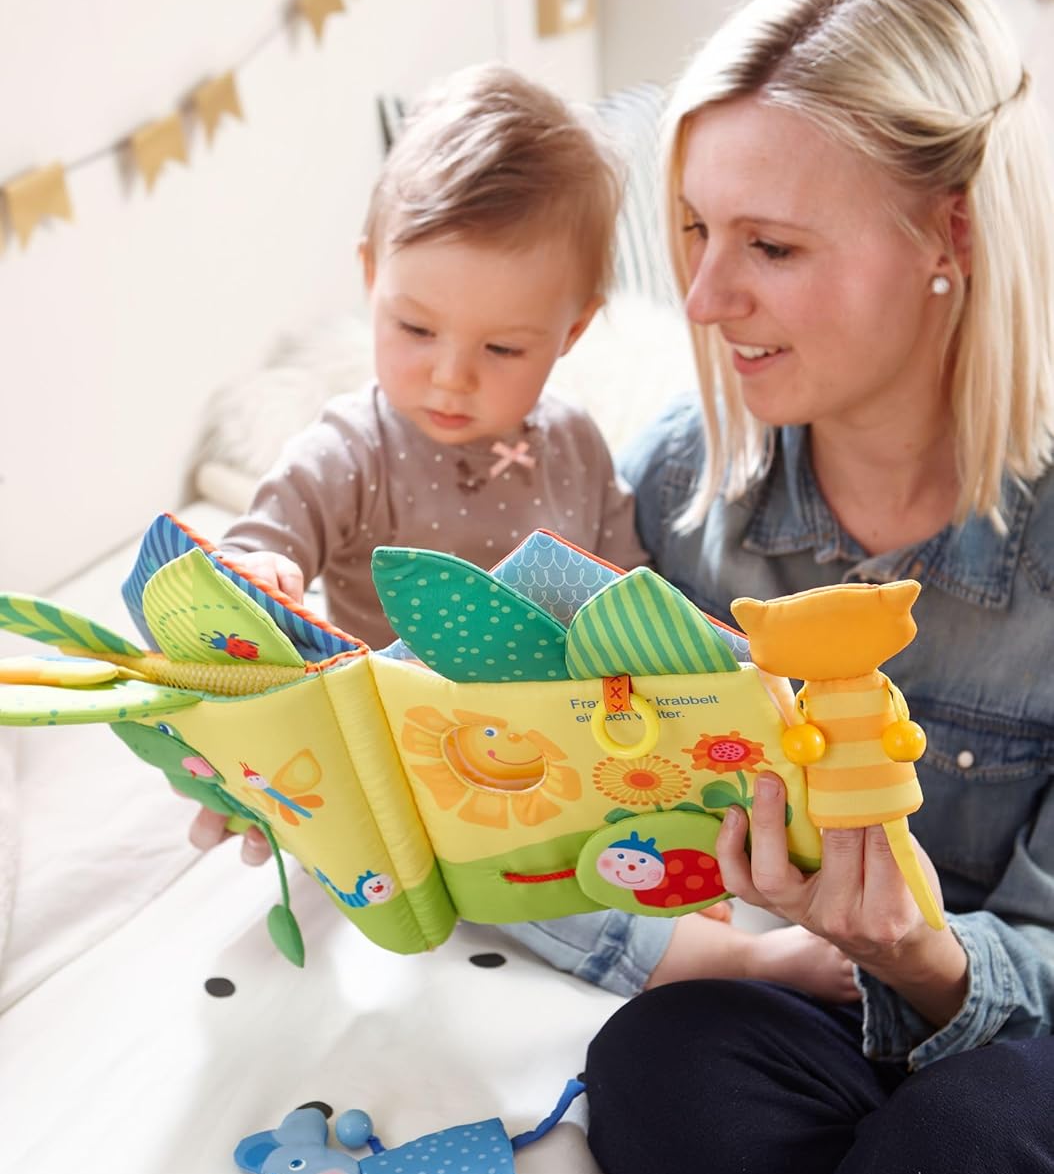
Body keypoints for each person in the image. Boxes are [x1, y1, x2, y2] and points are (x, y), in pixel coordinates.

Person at [577, 0, 1054, 1174]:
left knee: (965, 1141)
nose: (701, 299)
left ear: (950, 238)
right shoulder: (677, 492)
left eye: (771, 247)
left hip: (1014, 1036)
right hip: (829, 1012)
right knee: (664, 1070)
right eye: (694, 230)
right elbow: (578, 798)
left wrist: (920, 956)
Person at [191, 60, 857, 1004]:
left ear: (572, 333)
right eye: (415, 329)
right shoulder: (349, 448)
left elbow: (625, 599)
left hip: (566, 752)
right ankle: (735, 965)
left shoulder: (578, 444)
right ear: (372, 277)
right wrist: (262, 569)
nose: (450, 377)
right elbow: (259, 550)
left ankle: (694, 904)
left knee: (652, 820)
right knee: (517, 875)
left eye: (503, 348)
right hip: (422, 774)